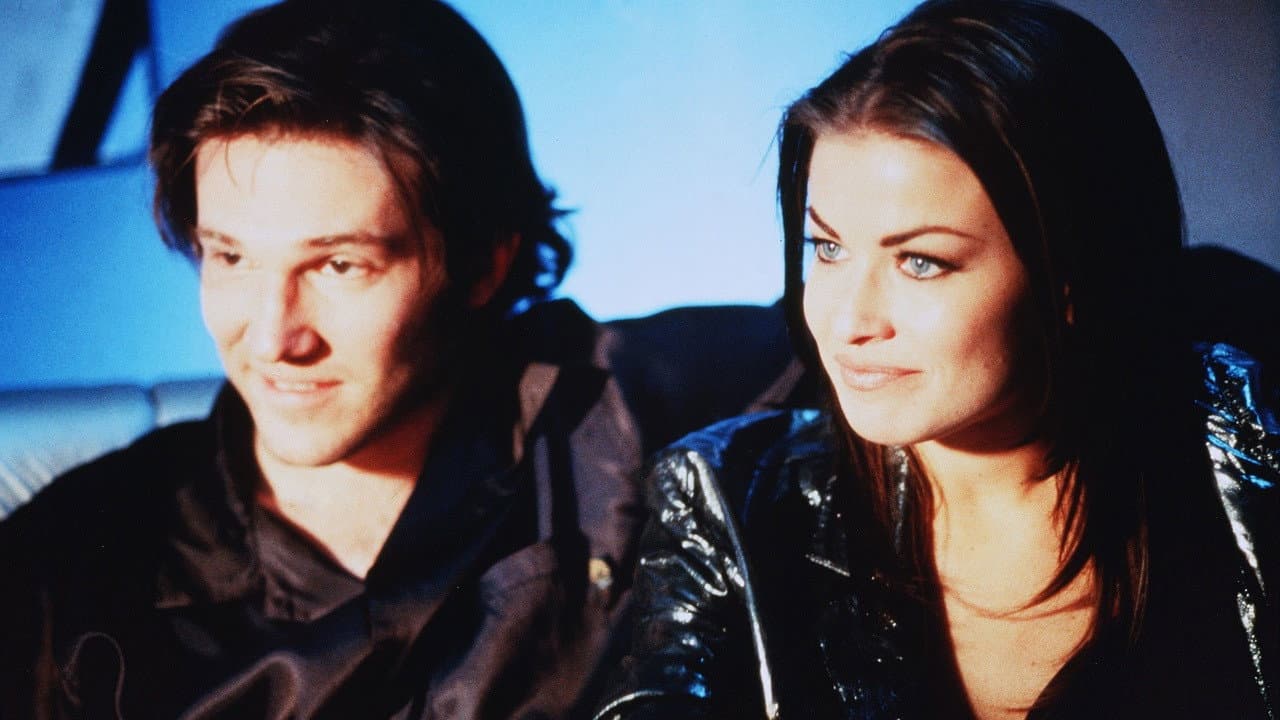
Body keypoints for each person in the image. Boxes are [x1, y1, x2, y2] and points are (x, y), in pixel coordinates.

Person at [0, 1, 805, 717]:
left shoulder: (621, 419)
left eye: (338, 265)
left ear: (483, 263)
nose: (274, 337)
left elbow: (857, 329)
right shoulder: (73, 567)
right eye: (232, 257)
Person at [595, 1, 1280, 718]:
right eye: (827, 248)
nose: (849, 320)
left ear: (1073, 274)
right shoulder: (732, 504)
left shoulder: (1247, 458)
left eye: (920, 262)